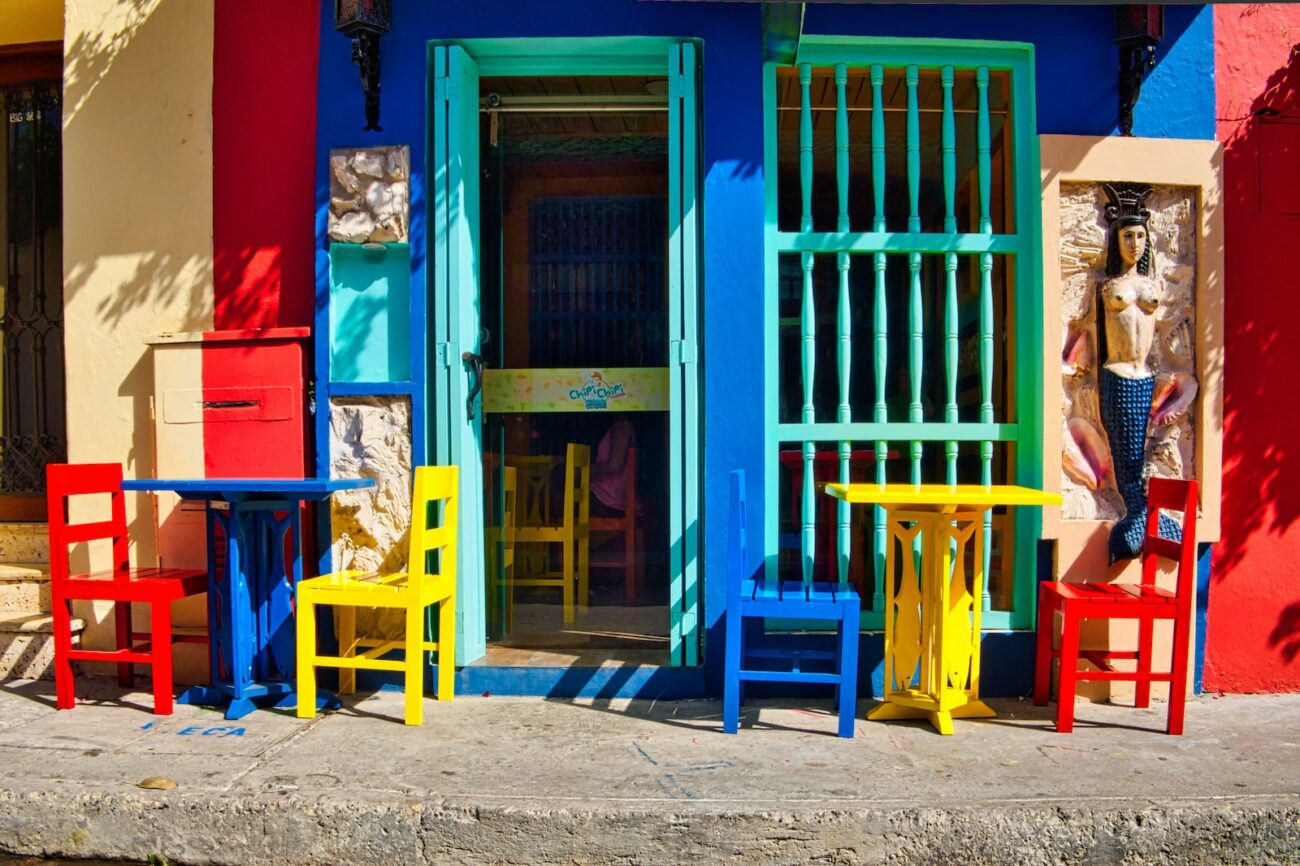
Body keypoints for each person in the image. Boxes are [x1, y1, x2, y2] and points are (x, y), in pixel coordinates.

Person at [1096, 183, 1180, 562]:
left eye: (1141, 236)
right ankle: (1136, 517)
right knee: (1126, 454)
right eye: (1128, 236)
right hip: (1116, 375)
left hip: (1145, 375)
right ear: (1116, 240)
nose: (1135, 243)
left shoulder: (1151, 284)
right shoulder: (1109, 286)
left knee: (1142, 450)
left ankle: (1142, 521)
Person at [590, 416, 638, 516]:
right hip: (607, 496)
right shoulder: (622, 426)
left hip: (606, 498)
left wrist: (584, 471)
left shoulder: (622, 426)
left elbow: (615, 467)